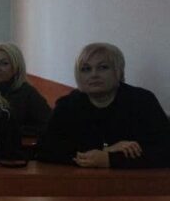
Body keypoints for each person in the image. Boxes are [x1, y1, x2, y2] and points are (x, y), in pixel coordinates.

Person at [37, 43, 170, 168]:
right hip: (79, 181)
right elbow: (44, 150)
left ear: (118, 72)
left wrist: (110, 159)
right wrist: (105, 151)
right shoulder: (67, 104)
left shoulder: (142, 101)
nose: (94, 74)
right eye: (86, 69)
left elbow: (164, 151)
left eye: (103, 67)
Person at [0, 43, 52, 137]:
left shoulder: (27, 94)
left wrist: (16, 131)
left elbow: (49, 125)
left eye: (4, 63)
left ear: (16, 67)